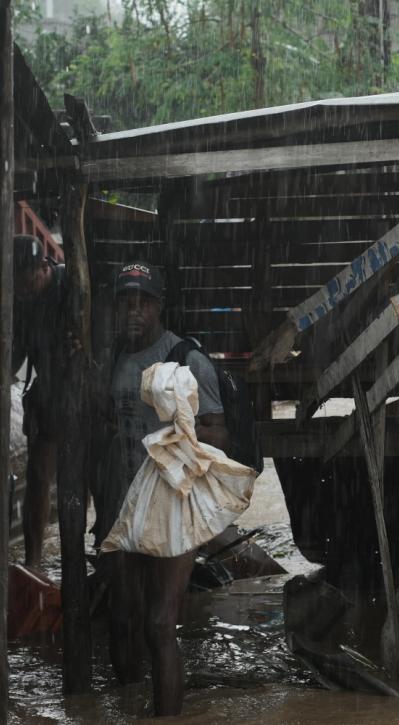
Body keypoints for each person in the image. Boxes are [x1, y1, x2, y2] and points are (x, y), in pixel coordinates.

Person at [100, 261, 228, 716]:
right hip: (122, 506)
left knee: (158, 625)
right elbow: (105, 424)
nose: (134, 311)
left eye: (144, 302)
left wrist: (172, 436)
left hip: (172, 505)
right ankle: (129, 706)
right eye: (126, 302)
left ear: (160, 307)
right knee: (122, 619)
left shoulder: (186, 360)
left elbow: (217, 434)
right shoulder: (112, 356)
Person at [11, 235, 65, 566]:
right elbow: (13, 354)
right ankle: (33, 561)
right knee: (38, 474)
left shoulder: (71, 286)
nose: (24, 289)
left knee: (89, 475)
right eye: (18, 284)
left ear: (44, 267)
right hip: (47, 389)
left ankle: (105, 552)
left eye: (28, 281)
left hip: (83, 387)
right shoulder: (19, 300)